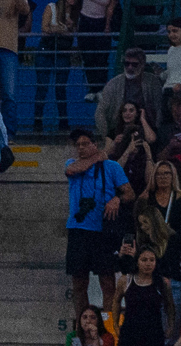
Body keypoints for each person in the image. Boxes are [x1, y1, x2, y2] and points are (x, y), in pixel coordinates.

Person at [64, 127, 135, 322]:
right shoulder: (72, 163)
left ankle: (109, 328)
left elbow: (129, 193)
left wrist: (117, 199)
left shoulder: (112, 167)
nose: (81, 148)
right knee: (79, 283)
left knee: (107, 282)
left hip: (102, 231)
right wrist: (99, 156)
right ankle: (82, 327)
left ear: (94, 144)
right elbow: (73, 170)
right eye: (78, 145)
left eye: (86, 144)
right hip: (78, 230)